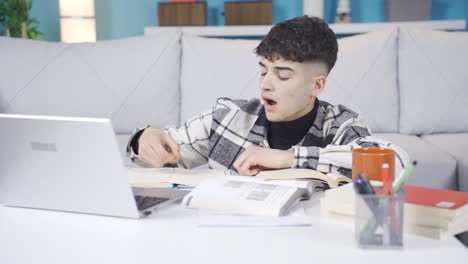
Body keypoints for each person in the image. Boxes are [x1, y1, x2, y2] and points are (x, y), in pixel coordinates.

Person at [126, 16, 408, 176]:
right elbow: (157, 153)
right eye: (263, 71)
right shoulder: (227, 117)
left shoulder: (340, 126)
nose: (266, 84)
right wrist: (142, 140)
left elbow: (394, 163)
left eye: (283, 75)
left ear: (317, 86)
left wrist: (289, 158)